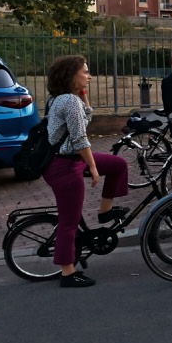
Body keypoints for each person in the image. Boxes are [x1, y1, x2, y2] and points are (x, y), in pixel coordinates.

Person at [43, 55, 130, 288]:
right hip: (64, 166)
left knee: (118, 164)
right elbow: (80, 139)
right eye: (85, 72)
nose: (89, 76)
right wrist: (92, 167)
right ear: (71, 75)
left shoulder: (60, 98)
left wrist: (84, 95)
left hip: (70, 159)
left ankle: (105, 211)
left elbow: (84, 120)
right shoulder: (69, 101)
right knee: (69, 221)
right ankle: (68, 273)